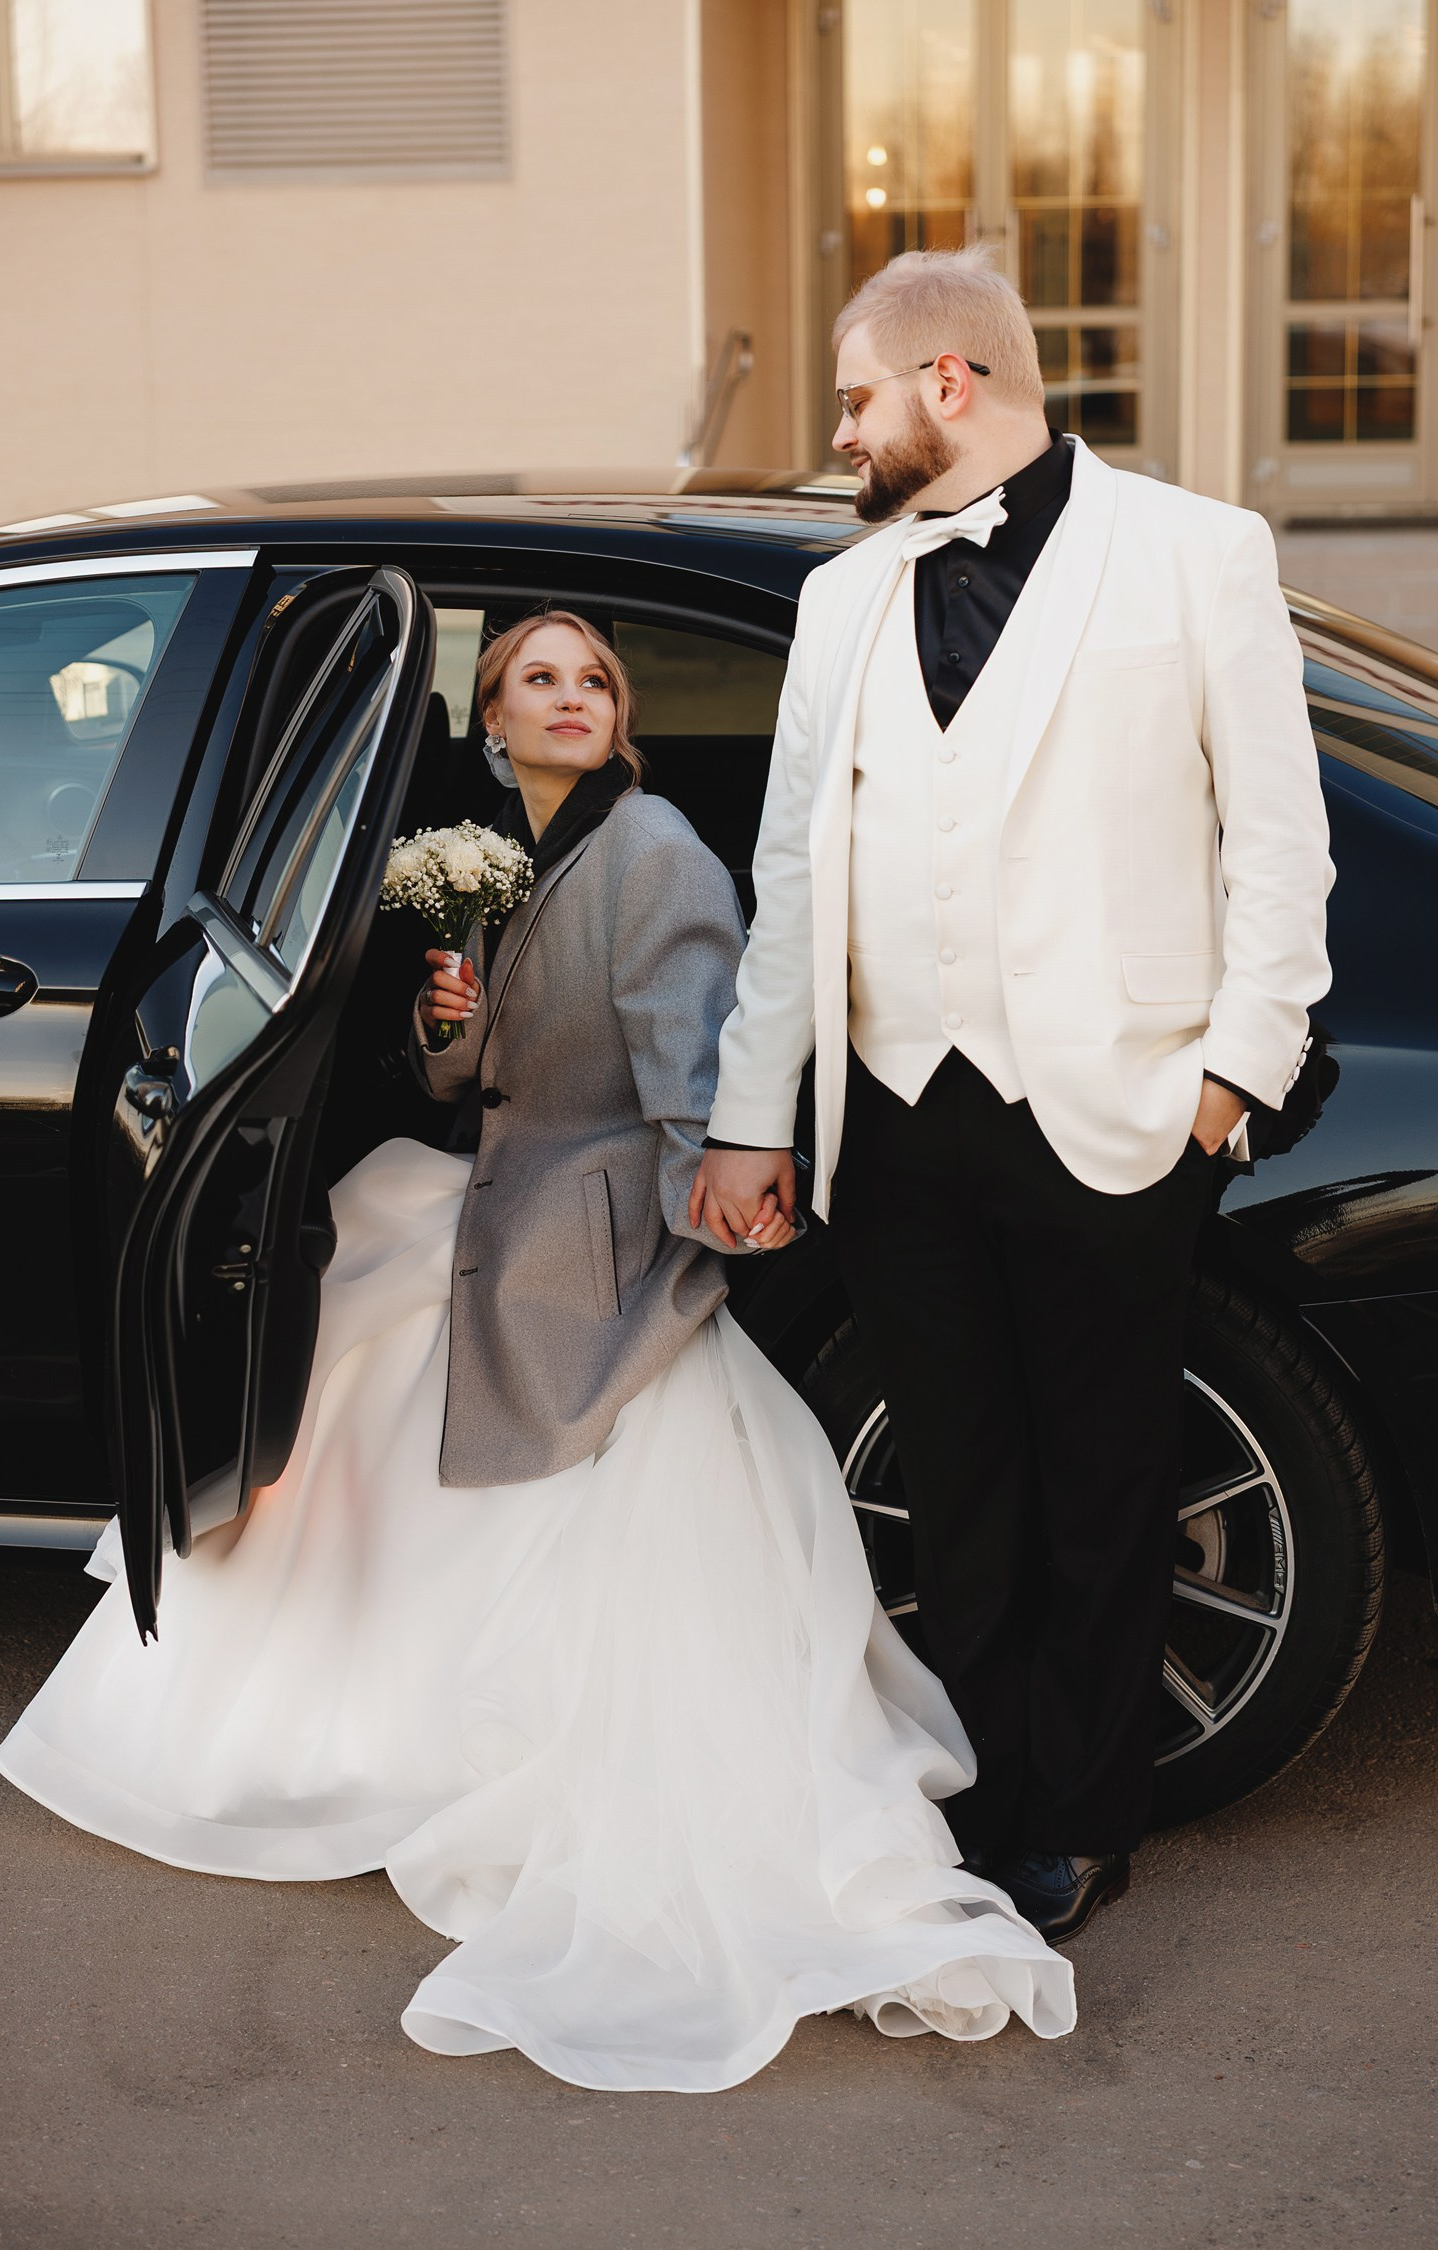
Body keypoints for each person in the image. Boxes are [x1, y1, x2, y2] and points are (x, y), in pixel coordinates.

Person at [0, 609, 1074, 2094]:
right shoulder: (512, 854)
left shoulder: (655, 854)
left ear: (620, 718)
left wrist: (708, 1221)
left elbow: (693, 1069)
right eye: (539, 681)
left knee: (366, 1314)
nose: (573, 699)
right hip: (510, 1192)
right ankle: (336, 1721)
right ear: (492, 721)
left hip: (596, 1226)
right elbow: (473, 1078)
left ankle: (343, 1730)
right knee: (355, 1290)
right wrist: (447, 1014)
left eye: (595, 682)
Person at [691, 247, 1334, 1943]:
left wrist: (1231, 1080)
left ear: (950, 383)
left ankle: (1086, 1821)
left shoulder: (1198, 553)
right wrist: (754, 1114)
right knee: (959, 1484)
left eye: (857, 399)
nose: (842, 434)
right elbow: (790, 875)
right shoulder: (842, 599)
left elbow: (1281, 845)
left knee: (1106, 1484)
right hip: (896, 1117)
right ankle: (978, 1800)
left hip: (1117, 1108)